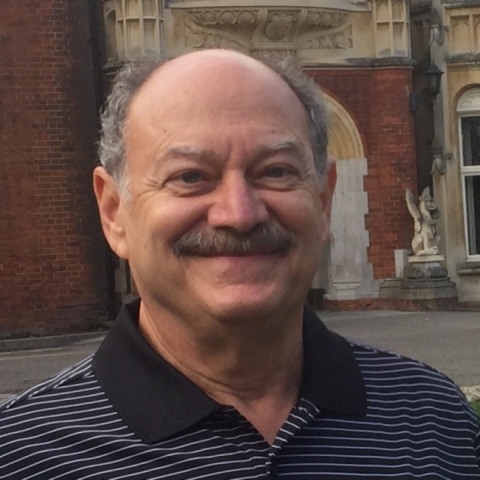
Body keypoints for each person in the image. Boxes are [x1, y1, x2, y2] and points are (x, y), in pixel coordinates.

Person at [0, 50, 479, 479]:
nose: (239, 213)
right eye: (190, 177)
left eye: (275, 171)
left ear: (323, 200)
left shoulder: (432, 422)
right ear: (114, 213)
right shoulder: (23, 453)